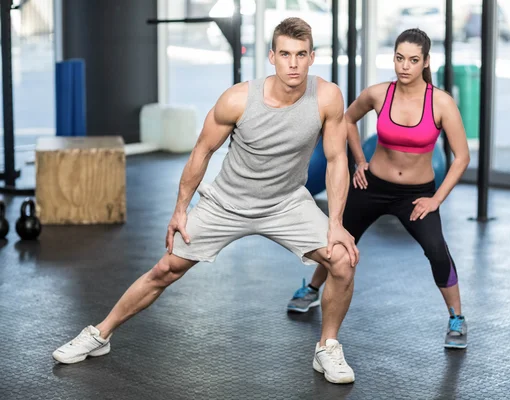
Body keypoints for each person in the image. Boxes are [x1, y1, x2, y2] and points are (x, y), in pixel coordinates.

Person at [52, 18, 360, 384]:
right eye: (285, 55)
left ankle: (327, 347)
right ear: (271, 57)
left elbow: (338, 159)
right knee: (165, 269)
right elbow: (202, 151)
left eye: (300, 55)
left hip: (287, 202)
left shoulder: (327, 97)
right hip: (227, 202)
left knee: (342, 259)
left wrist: (336, 222)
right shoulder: (237, 99)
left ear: (312, 58)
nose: (293, 64)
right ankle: (99, 334)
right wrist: (180, 210)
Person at [286, 28, 470, 349]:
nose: (405, 66)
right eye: (399, 58)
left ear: (426, 62)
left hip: (416, 195)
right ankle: (312, 289)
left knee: (437, 251)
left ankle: (456, 317)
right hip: (372, 185)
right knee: (339, 242)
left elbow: (462, 157)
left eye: (413, 60)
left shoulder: (441, 103)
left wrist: (436, 199)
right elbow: (347, 119)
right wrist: (359, 160)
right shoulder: (378, 94)